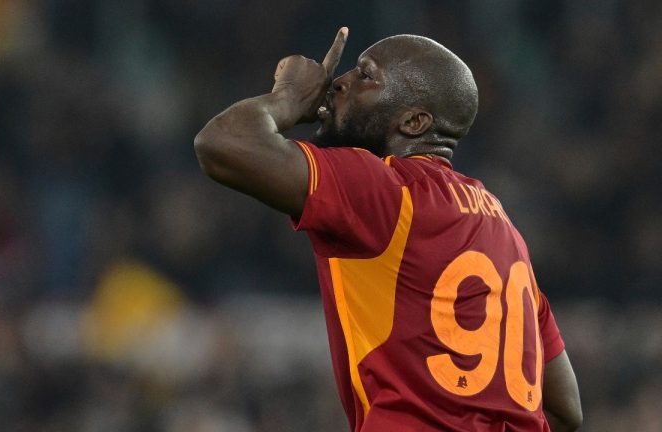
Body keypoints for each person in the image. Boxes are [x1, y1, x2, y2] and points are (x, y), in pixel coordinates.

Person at [194, 27, 582, 432]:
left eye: (365, 75)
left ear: (413, 122)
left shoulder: (390, 191)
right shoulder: (505, 231)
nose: (338, 82)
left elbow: (223, 144)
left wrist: (288, 97)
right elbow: (565, 406)